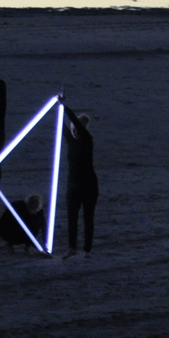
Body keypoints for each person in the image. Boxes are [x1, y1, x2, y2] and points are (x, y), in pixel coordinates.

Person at [64, 108, 97, 255]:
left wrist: (64, 107)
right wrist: (58, 109)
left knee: (87, 218)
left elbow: (75, 122)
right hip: (73, 185)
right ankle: (72, 247)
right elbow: (62, 127)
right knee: (72, 217)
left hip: (88, 186)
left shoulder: (87, 140)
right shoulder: (72, 141)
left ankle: (87, 249)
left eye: (76, 127)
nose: (73, 129)